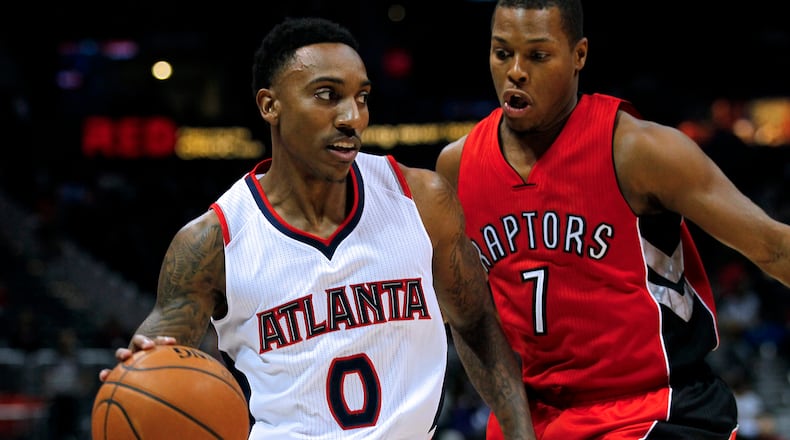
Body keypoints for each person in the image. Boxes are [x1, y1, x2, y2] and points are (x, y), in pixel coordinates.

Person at [99, 16, 534, 440]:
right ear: (270, 105)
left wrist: (521, 432)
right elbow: (155, 361)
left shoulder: (422, 201)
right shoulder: (212, 242)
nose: (352, 117)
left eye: (362, 97)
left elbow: (477, 323)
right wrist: (137, 373)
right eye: (327, 95)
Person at [434, 1, 790, 439]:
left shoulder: (639, 151)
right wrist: (515, 424)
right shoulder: (457, 167)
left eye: (538, 55)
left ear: (579, 55)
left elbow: (773, 247)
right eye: (502, 53)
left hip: (654, 411)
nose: (516, 71)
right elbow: (471, 320)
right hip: (533, 419)